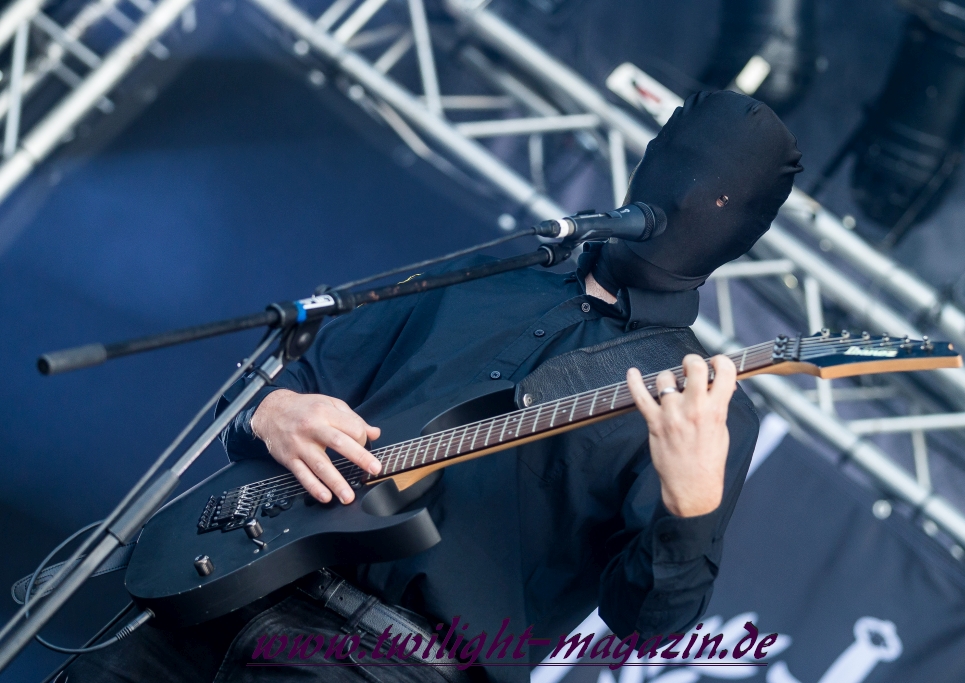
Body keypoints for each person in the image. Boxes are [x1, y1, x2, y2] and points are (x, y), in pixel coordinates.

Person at [65, 90, 801, 683]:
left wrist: (689, 507)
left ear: (745, 231)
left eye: (719, 197)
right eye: (678, 161)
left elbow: (645, 623)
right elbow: (299, 379)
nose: (690, 193)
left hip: (388, 660)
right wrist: (272, 410)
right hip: (225, 579)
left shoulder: (704, 401)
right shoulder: (492, 272)